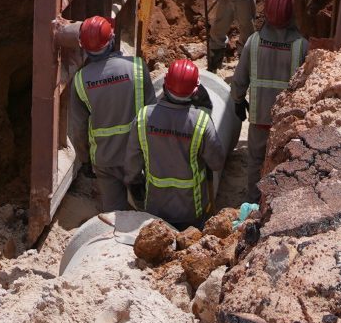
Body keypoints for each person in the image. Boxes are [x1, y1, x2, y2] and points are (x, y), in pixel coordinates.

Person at [115, 59, 238, 231]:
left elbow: (132, 164)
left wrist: (135, 188)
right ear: (195, 90)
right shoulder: (201, 121)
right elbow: (216, 162)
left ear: (165, 84)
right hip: (192, 209)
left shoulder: (143, 118)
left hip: (154, 208)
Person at [229, 0, 307, 201]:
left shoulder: (254, 41)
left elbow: (239, 78)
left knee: (255, 161)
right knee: (282, 161)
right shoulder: (301, 46)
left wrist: (238, 101)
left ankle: (254, 202)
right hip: (287, 121)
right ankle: (277, 202)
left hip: (260, 117)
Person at [66, 14, 146, 214]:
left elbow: (78, 129)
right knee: (147, 215)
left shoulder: (80, 81)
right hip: (137, 156)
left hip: (104, 160)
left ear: (83, 47)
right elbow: (152, 113)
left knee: (113, 215)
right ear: (111, 39)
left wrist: (85, 159)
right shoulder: (137, 67)